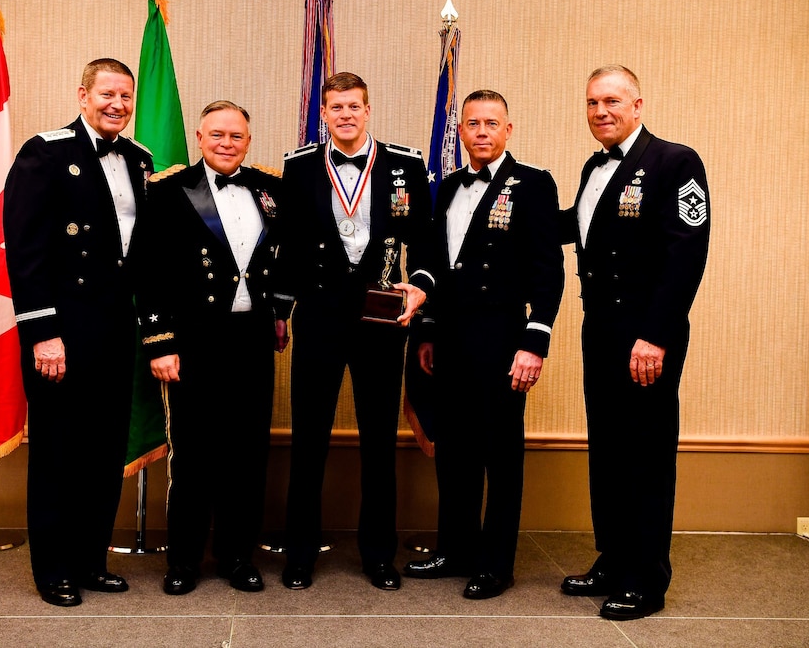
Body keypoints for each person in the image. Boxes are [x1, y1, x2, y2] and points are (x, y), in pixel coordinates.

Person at [274, 72, 435, 591]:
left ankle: (378, 555)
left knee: (378, 442)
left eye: (353, 106)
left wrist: (423, 286)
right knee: (310, 439)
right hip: (319, 314)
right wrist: (281, 307)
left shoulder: (406, 164)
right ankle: (299, 554)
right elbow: (289, 243)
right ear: (324, 114)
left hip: (381, 318)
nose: (345, 115)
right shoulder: (298, 166)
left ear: (368, 111)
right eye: (335, 107)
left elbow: (425, 239)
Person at [559, 65, 710, 620]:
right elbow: (577, 229)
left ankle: (647, 577)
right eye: (593, 102)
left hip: (646, 334)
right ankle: (615, 556)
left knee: (645, 454)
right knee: (608, 449)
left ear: (639, 104)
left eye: (613, 101)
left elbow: (685, 254)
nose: (602, 111)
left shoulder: (674, 161)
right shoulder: (591, 167)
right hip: (599, 329)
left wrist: (655, 336)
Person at [403, 90, 564, 599]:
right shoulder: (448, 185)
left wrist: (534, 341)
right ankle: (455, 549)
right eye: (473, 123)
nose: (482, 132)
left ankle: (496, 563)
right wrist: (427, 329)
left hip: (501, 337)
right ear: (463, 131)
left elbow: (548, 270)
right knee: (454, 450)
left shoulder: (534, 185)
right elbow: (434, 261)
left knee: (501, 453)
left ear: (508, 130)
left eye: (492, 123)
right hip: (450, 334)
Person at [3, 58, 151, 607]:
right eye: (107, 94)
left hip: (115, 328)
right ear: (83, 93)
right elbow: (24, 249)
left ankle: (90, 561)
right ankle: (53, 569)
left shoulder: (139, 159)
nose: (118, 105)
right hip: (61, 331)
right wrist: (43, 332)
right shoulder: (46, 152)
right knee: (59, 452)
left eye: (126, 98)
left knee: (102, 450)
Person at [136, 101, 286, 595]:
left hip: (251, 340)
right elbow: (149, 274)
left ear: (248, 141)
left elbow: (285, 261)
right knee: (194, 456)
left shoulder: (269, 190)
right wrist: (160, 343)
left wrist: (282, 313)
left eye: (237, 136)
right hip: (193, 342)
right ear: (199, 137)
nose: (227, 144)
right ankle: (183, 561)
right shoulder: (166, 191)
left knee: (246, 453)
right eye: (217, 135)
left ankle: (237, 556)